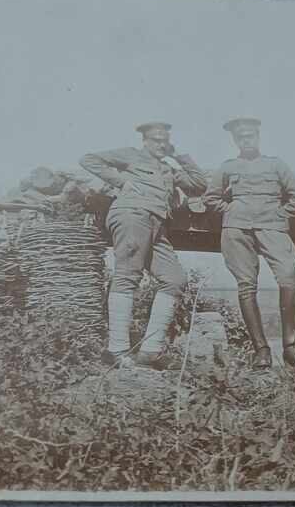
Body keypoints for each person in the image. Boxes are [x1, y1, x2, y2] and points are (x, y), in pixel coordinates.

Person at [80, 122, 207, 369]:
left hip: (158, 224)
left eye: (165, 141)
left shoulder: (169, 168)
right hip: (132, 214)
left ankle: (150, 351)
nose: (161, 144)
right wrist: (120, 182)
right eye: (156, 140)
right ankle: (116, 349)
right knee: (128, 275)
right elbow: (88, 159)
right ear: (145, 141)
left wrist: (178, 154)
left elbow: (198, 184)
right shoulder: (131, 155)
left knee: (174, 279)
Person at [203, 117, 295, 369]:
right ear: (235, 140)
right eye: (241, 137)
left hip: (272, 227)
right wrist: (230, 209)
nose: (246, 140)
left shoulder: (275, 164)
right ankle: (261, 350)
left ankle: (290, 348)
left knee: (287, 279)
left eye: (250, 135)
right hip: (237, 229)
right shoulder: (228, 166)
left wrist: (281, 214)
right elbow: (210, 197)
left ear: (258, 136)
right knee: (246, 286)